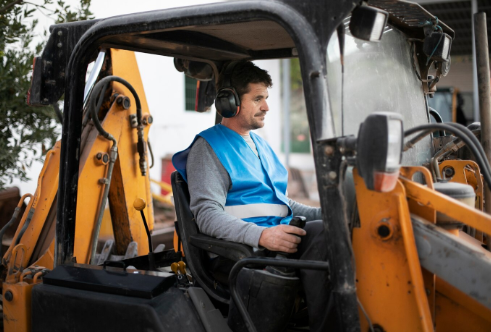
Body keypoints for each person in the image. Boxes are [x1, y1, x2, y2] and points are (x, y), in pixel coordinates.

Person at [172, 61, 331, 331]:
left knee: (334, 229)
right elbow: (208, 216)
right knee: (323, 238)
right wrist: (261, 236)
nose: (266, 107)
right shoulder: (208, 148)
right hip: (241, 253)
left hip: (272, 239)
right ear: (229, 102)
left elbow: (282, 204)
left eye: (266, 98)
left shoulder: (259, 145)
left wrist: (332, 213)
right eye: (258, 99)